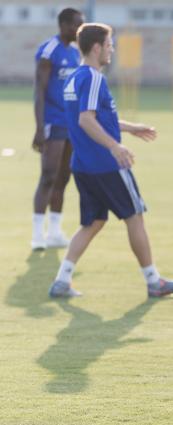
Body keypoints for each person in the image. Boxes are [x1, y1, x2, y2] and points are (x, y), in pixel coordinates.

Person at [47, 23, 173, 299]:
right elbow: (85, 120)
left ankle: (61, 280)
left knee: (93, 222)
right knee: (134, 217)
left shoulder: (74, 78)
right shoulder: (94, 77)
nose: (112, 49)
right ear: (97, 47)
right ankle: (153, 281)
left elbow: (98, 118)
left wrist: (130, 128)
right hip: (105, 165)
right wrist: (115, 147)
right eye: (110, 44)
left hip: (83, 165)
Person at [31, 8, 84, 250]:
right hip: (52, 121)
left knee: (64, 177)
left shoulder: (75, 54)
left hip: (71, 123)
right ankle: (37, 236)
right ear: (63, 25)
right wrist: (40, 128)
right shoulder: (49, 50)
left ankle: (54, 232)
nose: (79, 29)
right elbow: (39, 91)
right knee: (48, 176)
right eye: (76, 25)